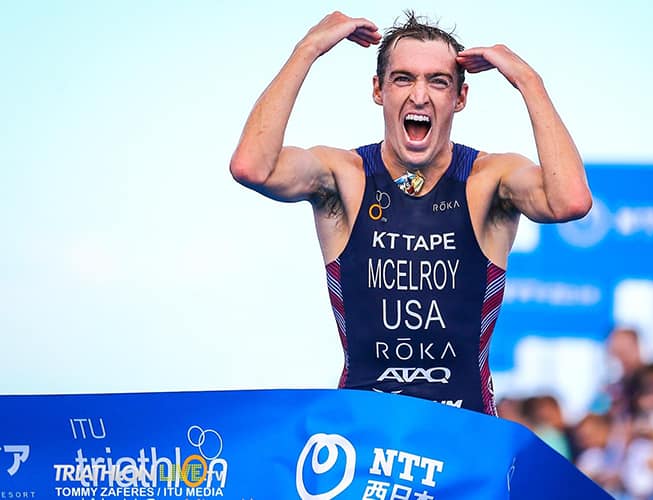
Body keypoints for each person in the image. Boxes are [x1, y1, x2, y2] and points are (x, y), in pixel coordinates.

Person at [229, 11, 591, 415]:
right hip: (364, 429)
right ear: (378, 89)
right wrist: (307, 48)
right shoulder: (345, 177)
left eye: (438, 81)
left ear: (460, 98)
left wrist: (529, 81)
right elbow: (252, 167)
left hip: (464, 429)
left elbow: (570, 201)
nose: (419, 95)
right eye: (403, 78)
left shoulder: (488, 179)